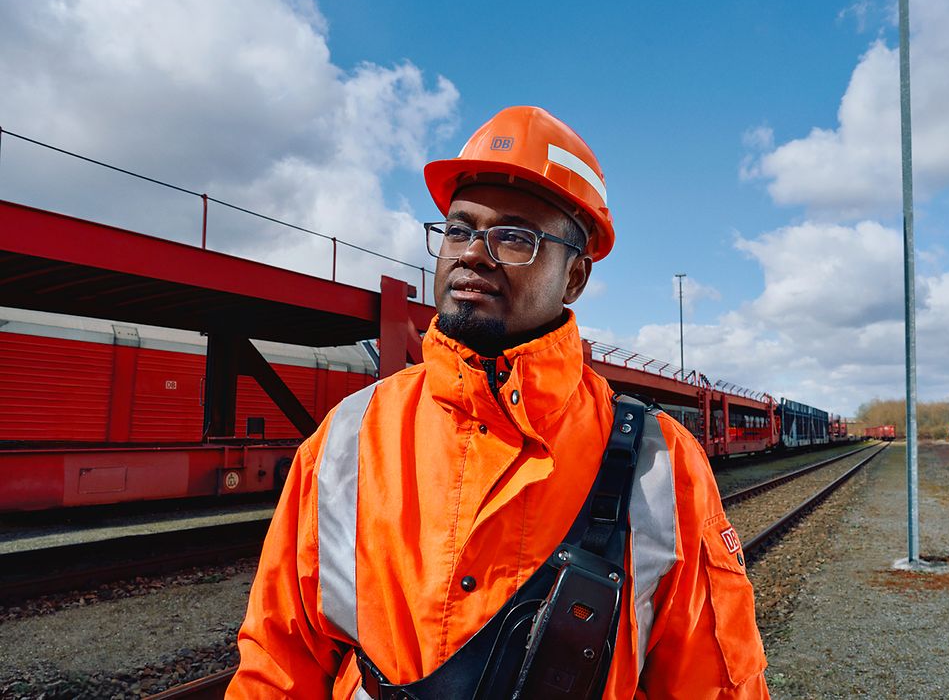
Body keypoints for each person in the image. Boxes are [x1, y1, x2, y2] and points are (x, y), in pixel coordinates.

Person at [226, 106, 769, 699]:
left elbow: (713, 684)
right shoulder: (347, 439)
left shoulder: (664, 464)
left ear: (574, 278)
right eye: (459, 229)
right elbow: (278, 666)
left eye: (515, 236)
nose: (473, 254)